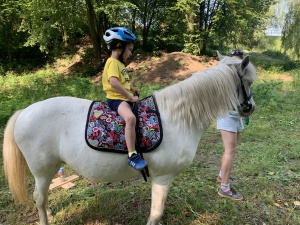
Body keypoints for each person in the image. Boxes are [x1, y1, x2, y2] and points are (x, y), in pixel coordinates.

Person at [102, 27, 148, 170]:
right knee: (130, 118)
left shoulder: (120, 64)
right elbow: (114, 83)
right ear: (120, 47)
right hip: (116, 99)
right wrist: (129, 97)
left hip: (122, 97)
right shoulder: (112, 62)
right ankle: (132, 155)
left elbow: (123, 82)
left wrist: (132, 89)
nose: (130, 53)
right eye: (130, 49)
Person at [216, 49, 245, 200]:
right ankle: (224, 188)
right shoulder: (225, 75)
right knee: (230, 151)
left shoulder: (240, 75)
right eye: (234, 59)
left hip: (236, 116)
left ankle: (222, 176)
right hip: (227, 116)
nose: (237, 62)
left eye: (239, 59)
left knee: (232, 149)